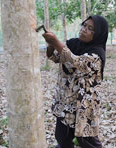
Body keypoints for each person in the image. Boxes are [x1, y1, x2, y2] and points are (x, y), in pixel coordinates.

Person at [42, 15, 108, 148]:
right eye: (84, 25)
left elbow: (76, 62)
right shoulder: (73, 43)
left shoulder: (96, 55)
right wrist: (50, 45)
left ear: (98, 34)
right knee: (62, 137)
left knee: (87, 141)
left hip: (83, 105)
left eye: (90, 29)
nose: (84, 30)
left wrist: (56, 41)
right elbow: (56, 57)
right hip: (66, 102)